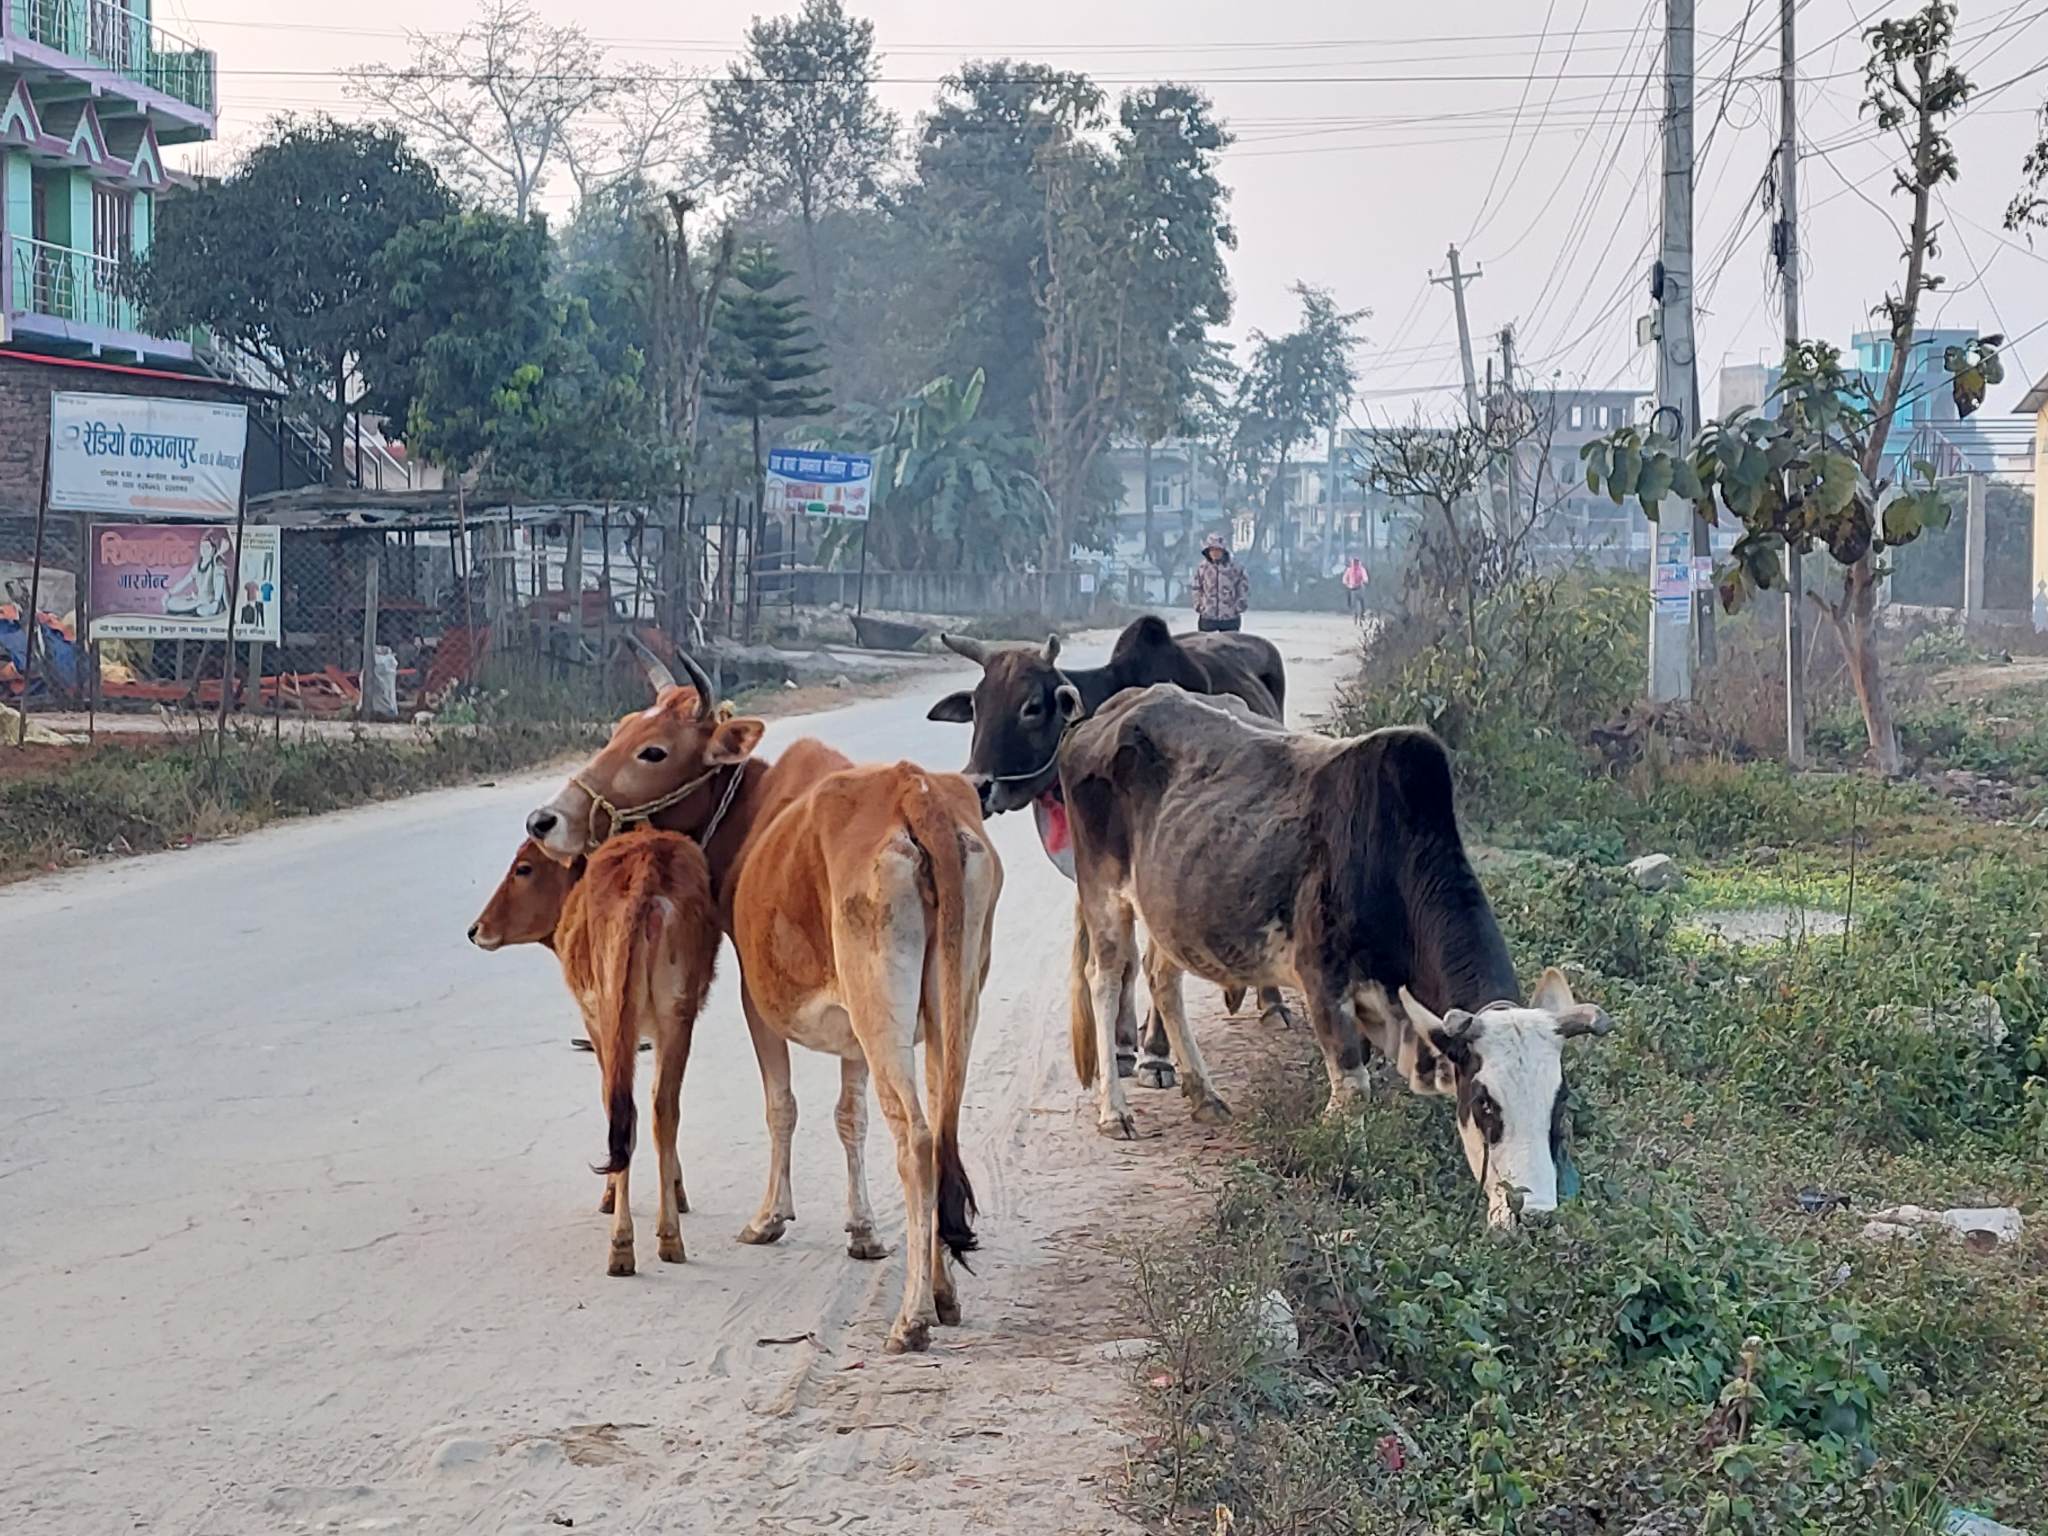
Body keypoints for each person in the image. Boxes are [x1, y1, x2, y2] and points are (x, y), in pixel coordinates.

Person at [1191, 532, 1249, 633]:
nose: (1215, 553)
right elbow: (1196, 588)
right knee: (1205, 646)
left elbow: (1243, 587)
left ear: (1223, 551)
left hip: (1230, 617)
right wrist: (1199, 605)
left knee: (1230, 647)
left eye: (1218, 550)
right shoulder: (1202, 568)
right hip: (1207, 617)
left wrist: (1239, 606)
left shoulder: (1235, 567)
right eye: (1212, 550)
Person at [1342, 554, 1369, 620]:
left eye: (1357, 561)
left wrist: (1365, 581)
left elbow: (1365, 576)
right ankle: (1351, 610)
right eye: (1355, 562)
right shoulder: (1349, 570)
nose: (1356, 563)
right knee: (1350, 600)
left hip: (1360, 586)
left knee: (1362, 599)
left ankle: (1363, 613)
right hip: (1352, 588)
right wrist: (1346, 583)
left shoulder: (1361, 569)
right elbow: (1345, 578)